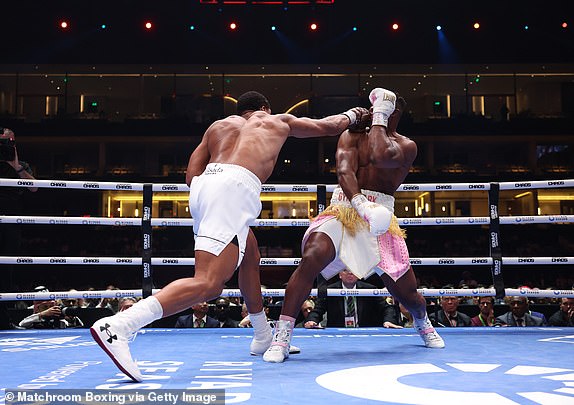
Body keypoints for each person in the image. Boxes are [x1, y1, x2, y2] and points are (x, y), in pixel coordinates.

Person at [90, 90, 369, 381]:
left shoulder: (218, 127)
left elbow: (190, 176)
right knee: (209, 284)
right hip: (233, 190)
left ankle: (262, 335)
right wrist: (353, 115)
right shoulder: (276, 121)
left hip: (206, 187)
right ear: (264, 108)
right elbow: (328, 126)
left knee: (249, 253)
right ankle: (121, 326)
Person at [263, 88, 444, 363]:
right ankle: (282, 336)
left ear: (392, 114)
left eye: (379, 109)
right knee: (311, 258)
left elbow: (380, 156)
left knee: (405, 292)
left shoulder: (407, 146)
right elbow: (344, 170)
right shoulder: (351, 135)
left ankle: (423, 322)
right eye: (372, 108)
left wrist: (380, 120)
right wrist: (360, 202)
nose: (371, 113)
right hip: (345, 208)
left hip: (381, 219)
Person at [0, 127, 38, 329]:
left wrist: (15, 166)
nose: (5, 145)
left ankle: (4, 318)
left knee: (7, 269)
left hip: (11, 222)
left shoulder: (21, 165)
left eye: (8, 141)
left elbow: (34, 187)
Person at [303, 269, 388, 328]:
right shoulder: (330, 290)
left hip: (364, 332)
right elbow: (318, 310)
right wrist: (312, 321)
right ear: (339, 274)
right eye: (345, 270)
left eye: (353, 270)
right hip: (337, 334)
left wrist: (388, 321)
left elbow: (387, 308)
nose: (350, 273)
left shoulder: (369, 289)